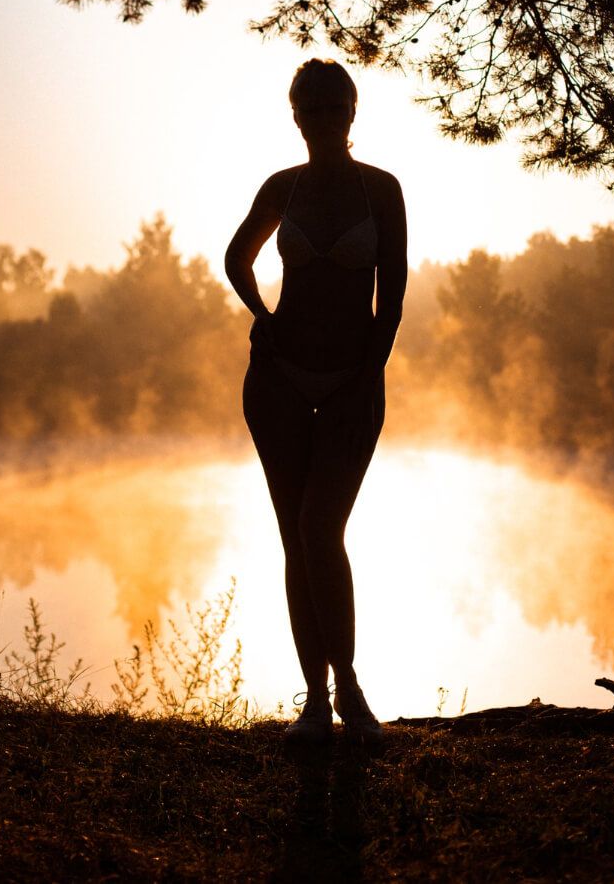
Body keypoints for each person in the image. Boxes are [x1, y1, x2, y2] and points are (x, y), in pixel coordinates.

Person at [225, 59, 407, 746]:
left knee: (321, 528)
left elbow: (391, 298)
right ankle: (315, 703)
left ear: (352, 114)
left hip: (352, 383)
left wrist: (368, 374)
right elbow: (236, 257)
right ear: (296, 117)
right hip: (275, 382)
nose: (324, 119)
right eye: (311, 109)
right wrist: (262, 315)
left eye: (336, 107)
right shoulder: (282, 188)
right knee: (296, 540)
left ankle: (351, 691)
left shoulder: (382, 192)